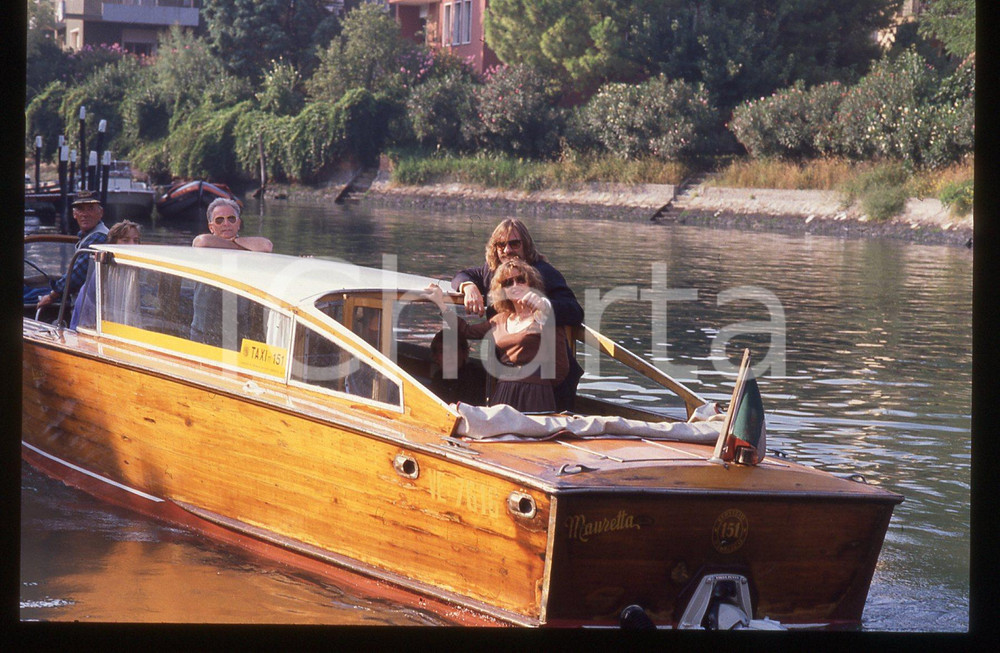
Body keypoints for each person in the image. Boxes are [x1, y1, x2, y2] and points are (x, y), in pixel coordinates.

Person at [451, 218, 583, 410]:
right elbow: (462, 275)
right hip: (506, 373)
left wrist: (543, 304)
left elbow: (575, 311)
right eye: (500, 245)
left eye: (514, 243)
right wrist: (468, 287)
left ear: (526, 245)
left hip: (547, 380)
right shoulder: (493, 271)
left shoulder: (545, 272)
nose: (507, 250)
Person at [427, 259, 569, 413]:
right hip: (504, 392)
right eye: (508, 283)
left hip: (534, 394)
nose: (515, 285)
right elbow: (466, 331)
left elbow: (561, 366)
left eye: (520, 280)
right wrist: (441, 304)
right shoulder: (500, 319)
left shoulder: (544, 316)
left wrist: (538, 385)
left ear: (530, 283)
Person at [33, 190, 109, 313]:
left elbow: (75, 276)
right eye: (80, 209)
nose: (85, 214)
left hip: (91, 308)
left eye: (90, 208)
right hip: (86, 303)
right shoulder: (88, 236)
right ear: (74, 214)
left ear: (100, 213)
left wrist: (52, 296)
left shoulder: (99, 237)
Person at [70, 220, 142, 331]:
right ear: (114, 243)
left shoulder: (138, 268)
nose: (132, 245)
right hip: (90, 324)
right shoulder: (103, 269)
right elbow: (89, 309)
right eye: (125, 240)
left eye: (135, 240)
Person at [428, 328, 487, 406]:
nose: (448, 356)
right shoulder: (438, 380)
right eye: (442, 352)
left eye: (453, 350)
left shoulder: (476, 378)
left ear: (464, 353)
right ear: (436, 358)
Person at [192, 198, 273, 252]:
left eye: (231, 219)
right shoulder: (205, 243)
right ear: (211, 227)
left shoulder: (246, 242)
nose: (226, 224)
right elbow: (201, 241)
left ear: (238, 224)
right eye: (219, 220)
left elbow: (266, 245)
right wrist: (238, 247)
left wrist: (236, 241)